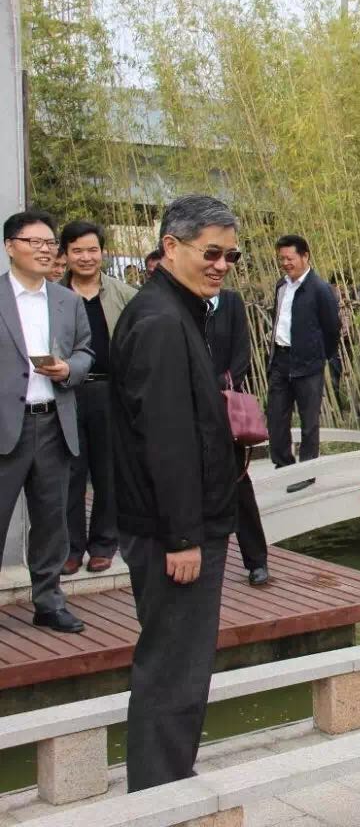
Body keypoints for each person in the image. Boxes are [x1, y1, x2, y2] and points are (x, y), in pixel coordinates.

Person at [111, 194, 240, 792]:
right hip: (175, 532)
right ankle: (159, 796)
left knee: (179, 664)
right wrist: (184, 537)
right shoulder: (162, 320)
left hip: (180, 522)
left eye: (231, 256)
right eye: (210, 253)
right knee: (174, 668)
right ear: (170, 246)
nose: (221, 266)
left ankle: (165, 781)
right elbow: (166, 441)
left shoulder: (180, 310)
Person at [0, 210, 93, 634]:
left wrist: (68, 369)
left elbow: (86, 351)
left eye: (49, 243)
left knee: (52, 521)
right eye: (33, 242)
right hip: (7, 425)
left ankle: (49, 602)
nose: (44, 250)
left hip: (54, 423)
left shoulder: (67, 300)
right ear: (10, 247)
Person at [60, 220, 137, 575]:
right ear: (65, 254)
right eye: (77, 250)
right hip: (66, 391)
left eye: (92, 250)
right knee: (70, 472)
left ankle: (104, 544)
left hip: (110, 391)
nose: (86, 257)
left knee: (108, 472)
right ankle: (70, 548)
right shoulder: (54, 296)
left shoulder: (125, 294)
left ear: (102, 252)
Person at [206, 287, 270, 585]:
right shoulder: (179, 302)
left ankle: (257, 560)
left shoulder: (230, 302)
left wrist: (219, 385)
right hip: (185, 405)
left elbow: (241, 354)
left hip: (224, 404)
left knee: (238, 482)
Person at [267, 234, 339, 490]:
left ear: (305, 256)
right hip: (280, 360)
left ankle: (306, 472)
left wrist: (320, 356)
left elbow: (332, 329)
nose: (285, 263)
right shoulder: (281, 285)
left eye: (290, 258)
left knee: (309, 421)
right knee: (276, 418)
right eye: (282, 259)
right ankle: (284, 467)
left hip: (308, 364)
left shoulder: (320, 289)